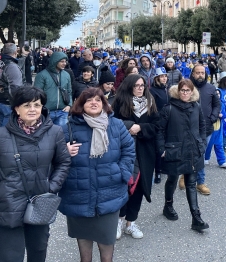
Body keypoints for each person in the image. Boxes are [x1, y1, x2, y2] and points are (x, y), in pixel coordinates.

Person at [0, 85, 71, 262]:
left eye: (37, 105)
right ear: (17, 109)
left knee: (38, 253)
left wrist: (51, 186)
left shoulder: (55, 132)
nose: (32, 109)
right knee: (11, 257)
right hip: (7, 206)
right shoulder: (1, 135)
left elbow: (63, 162)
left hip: (40, 203)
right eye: (26, 105)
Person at [60, 88, 135, 262]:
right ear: (81, 104)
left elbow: (129, 150)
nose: (94, 103)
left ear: (104, 104)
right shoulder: (68, 128)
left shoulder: (115, 125)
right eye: (88, 100)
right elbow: (53, 156)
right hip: (78, 193)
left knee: (106, 246)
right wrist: (63, 152)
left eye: (98, 100)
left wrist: (121, 173)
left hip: (109, 193)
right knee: (84, 247)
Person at [112, 74, 162, 240]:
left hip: (145, 152)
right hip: (124, 151)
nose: (140, 88)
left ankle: (130, 223)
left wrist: (140, 127)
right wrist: (129, 126)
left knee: (139, 188)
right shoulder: (119, 102)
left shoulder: (150, 102)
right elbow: (112, 123)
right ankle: (118, 220)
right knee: (124, 186)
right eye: (137, 85)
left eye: (142, 85)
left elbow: (156, 126)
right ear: (129, 86)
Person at [160, 78, 210, 231]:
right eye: (183, 90)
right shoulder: (169, 108)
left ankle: (196, 217)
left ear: (192, 92)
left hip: (193, 150)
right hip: (175, 149)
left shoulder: (196, 107)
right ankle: (168, 206)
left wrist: (201, 142)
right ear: (178, 91)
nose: (185, 93)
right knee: (172, 179)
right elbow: (160, 130)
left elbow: (202, 126)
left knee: (191, 183)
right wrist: (161, 148)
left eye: (188, 90)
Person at [190, 63, 221, 195]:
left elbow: (217, 104)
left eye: (202, 73)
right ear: (193, 74)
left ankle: (200, 182)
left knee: (200, 154)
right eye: (198, 73)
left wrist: (213, 117)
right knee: (189, 153)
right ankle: (184, 176)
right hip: (189, 128)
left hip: (206, 128)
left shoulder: (211, 88)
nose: (200, 75)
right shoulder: (187, 87)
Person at [34, 51, 72, 126]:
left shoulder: (66, 75)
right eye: (62, 61)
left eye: (65, 61)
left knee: (62, 134)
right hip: (46, 112)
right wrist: (40, 108)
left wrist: (69, 105)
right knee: (46, 135)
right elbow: (36, 93)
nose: (64, 63)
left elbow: (69, 91)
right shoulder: (42, 75)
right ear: (55, 61)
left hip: (62, 111)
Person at [0, 43, 24, 127]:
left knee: (1, 131)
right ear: (15, 52)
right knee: (7, 133)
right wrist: (18, 103)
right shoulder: (11, 66)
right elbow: (15, 87)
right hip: (8, 103)